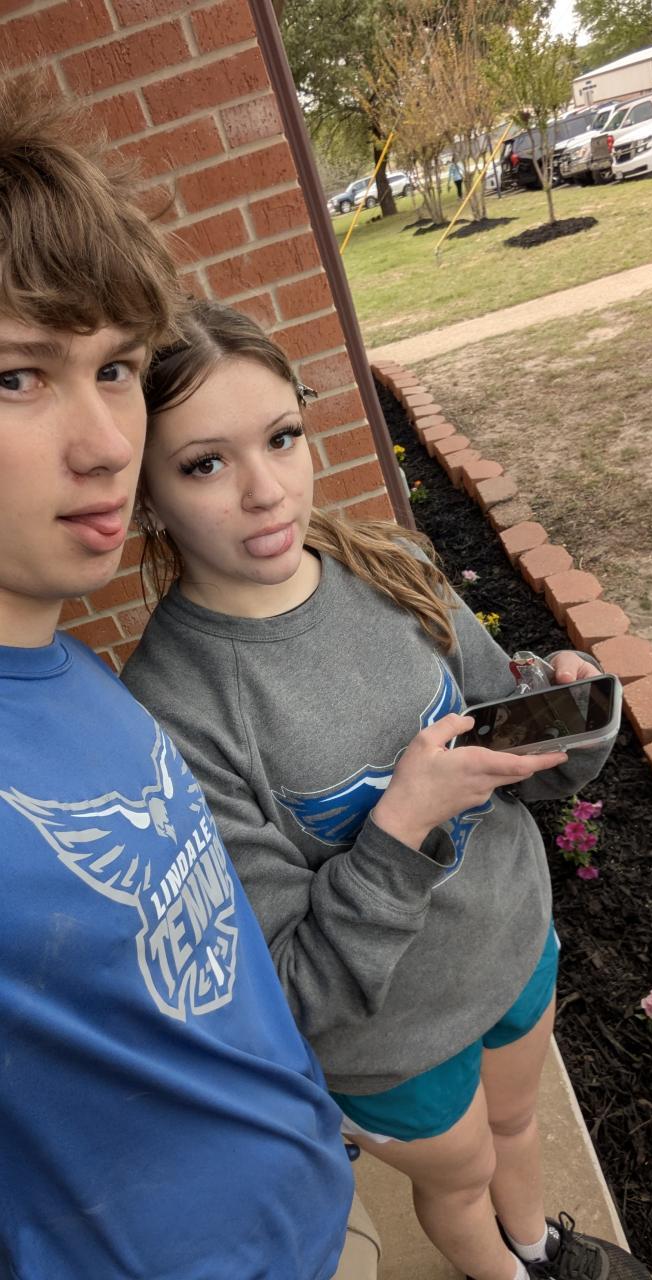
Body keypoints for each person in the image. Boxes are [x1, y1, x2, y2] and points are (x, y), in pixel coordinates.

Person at [123, 300, 652, 1280]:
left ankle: (539, 1246)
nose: (266, 491)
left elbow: (518, 751)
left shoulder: (390, 565)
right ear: (147, 492)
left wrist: (565, 712)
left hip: (509, 943)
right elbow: (292, 990)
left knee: (517, 1123)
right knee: (461, 1179)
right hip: (389, 1041)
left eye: (282, 437)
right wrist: (403, 820)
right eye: (204, 463)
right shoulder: (171, 712)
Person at [0, 74, 377, 1280]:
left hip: (319, 1198)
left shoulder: (73, 668)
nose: (110, 442)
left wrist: (305, 1110)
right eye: (16, 376)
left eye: (115, 367)